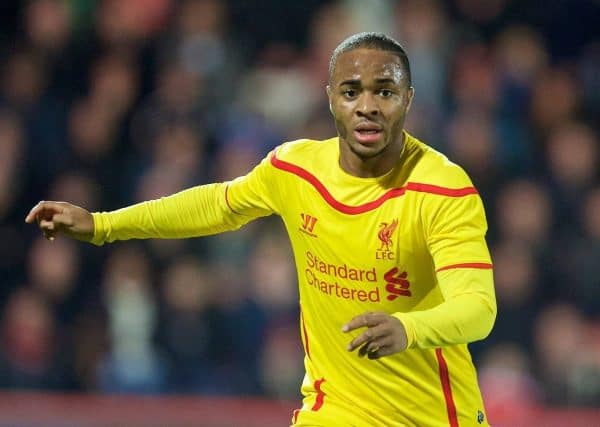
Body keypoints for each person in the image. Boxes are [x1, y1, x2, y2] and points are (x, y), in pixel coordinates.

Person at [26, 32, 496, 427]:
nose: (367, 106)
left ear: (408, 99)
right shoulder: (296, 170)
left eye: (385, 92)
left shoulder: (441, 189)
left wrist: (407, 328)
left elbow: (477, 308)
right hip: (334, 410)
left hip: (434, 415)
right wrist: (103, 224)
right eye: (351, 91)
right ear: (330, 96)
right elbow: (216, 204)